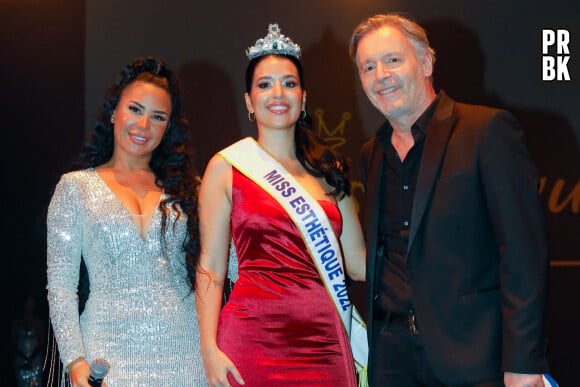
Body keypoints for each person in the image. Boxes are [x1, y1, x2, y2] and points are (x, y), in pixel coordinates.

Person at [350, 13, 550, 387]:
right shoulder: (371, 154)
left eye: (393, 60)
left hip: (472, 357)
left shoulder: (486, 131)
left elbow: (523, 253)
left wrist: (524, 361)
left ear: (425, 62)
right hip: (392, 357)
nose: (381, 76)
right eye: (368, 67)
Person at [196, 24, 367, 387]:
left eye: (289, 84)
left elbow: (357, 264)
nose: (278, 93)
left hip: (325, 341)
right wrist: (209, 349)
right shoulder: (227, 167)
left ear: (304, 99)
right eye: (264, 84)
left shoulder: (329, 172)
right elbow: (211, 267)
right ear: (248, 101)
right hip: (251, 338)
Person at [46, 57, 206, 386]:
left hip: (186, 356)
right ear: (114, 109)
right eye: (135, 109)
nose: (143, 126)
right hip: (107, 358)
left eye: (157, 117)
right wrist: (75, 361)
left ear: (168, 126)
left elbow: (231, 264)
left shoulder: (193, 192)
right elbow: (61, 288)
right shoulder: (76, 188)